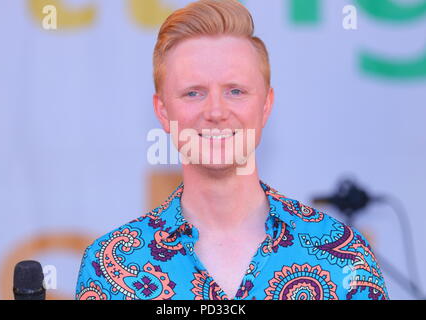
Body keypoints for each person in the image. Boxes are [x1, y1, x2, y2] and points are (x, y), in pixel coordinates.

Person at [75, 0, 389, 300]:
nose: (215, 111)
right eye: (193, 93)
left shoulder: (341, 256)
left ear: (266, 105)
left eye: (235, 91)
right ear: (163, 111)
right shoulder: (109, 268)